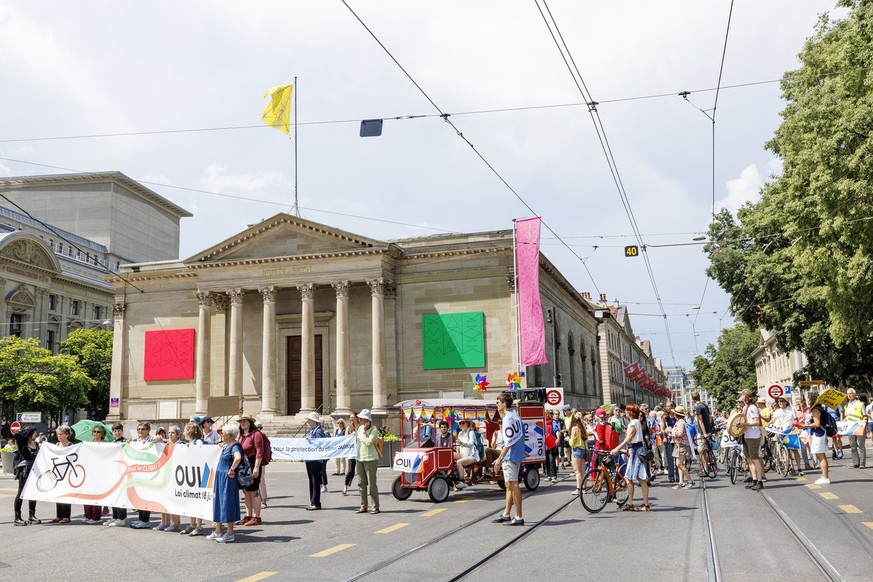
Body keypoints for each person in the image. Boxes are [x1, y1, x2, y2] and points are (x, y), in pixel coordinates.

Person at [492, 392, 525, 526]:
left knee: (513, 484)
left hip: (510, 455)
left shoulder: (507, 418)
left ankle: (518, 517)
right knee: (509, 485)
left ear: (504, 404)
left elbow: (508, 442)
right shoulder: (514, 415)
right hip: (515, 454)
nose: (496, 405)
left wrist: (500, 458)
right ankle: (506, 513)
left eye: (498, 402)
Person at [610, 404, 651, 511]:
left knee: (641, 478)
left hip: (637, 451)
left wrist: (617, 449)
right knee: (629, 477)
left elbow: (628, 439)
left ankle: (645, 504)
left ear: (631, 413)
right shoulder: (633, 423)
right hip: (634, 450)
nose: (625, 412)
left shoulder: (634, 422)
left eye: (627, 411)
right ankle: (630, 503)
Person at [208, 423, 242, 543]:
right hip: (220, 477)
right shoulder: (227, 446)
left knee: (227, 504)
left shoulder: (235, 447)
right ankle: (218, 531)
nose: (222, 434)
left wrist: (231, 469)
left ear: (229, 435)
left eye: (224, 433)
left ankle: (230, 533)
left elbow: (238, 458)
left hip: (227, 478)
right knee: (218, 502)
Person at [237, 414, 267, 526]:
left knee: (254, 491)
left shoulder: (256, 434)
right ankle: (248, 515)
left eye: (245, 421)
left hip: (253, 463)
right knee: (246, 491)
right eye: (241, 421)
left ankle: (257, 517)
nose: (243, 423)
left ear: (250, 422)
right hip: (244, 465)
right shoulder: (241, 435)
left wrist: (256, 467)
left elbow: (260, 452)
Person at [154, 425, 183, 531]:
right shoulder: (166, 444)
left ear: (178, 435)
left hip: (177, 476)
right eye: (169, 432)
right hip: (166, 475)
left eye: (173, 433)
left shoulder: (182, 445)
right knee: (164, 498)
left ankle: (175, 523)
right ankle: (164, 522)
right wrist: (156, 439)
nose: (170, 434)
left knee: (173, 500)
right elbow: (154, 442)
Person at [181, 422, 207, 536]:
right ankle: (192, 524)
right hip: (191, 475)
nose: (183, 432)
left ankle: (199, 525)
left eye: (185, 430)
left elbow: (201, 454)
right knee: (191, 500)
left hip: (199, 476)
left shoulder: (198, 442)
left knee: (198, 501)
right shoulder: (190, 443)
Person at [736, 390, 765, 491]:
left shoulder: (752, 407)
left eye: (742, 395)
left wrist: (744, 424)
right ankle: (754, 479)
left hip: (753, 435)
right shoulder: (745, 407)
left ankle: (760, 481)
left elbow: (756, 422)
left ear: (746, 397)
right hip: (746, 435)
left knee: (755, 459)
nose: (741, 398)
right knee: (749, 459)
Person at [800, 391, 831, 485]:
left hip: (818, 434)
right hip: (819, 433)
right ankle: (823, 476)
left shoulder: (815, 410)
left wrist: (805, 426)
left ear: (811, 399)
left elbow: (817, 424)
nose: (807, 400)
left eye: (808, 398)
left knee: (821, 456)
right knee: (819, 455)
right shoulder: (816, 409)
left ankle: (825, 477)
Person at [354, 409, 380, 514]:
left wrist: (364, 433)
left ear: (367, 420)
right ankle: (363, 505)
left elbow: (368, 442)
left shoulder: (374, 429)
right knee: (360, 483)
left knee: (372, 484)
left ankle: (375, 506)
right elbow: (357, 441)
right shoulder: (359, 428)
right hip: (359, 458)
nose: (359, 419)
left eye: (361, 418)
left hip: (370, 459)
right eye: (359, 418)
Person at [130, 422, 155, 529]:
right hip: (137, 472)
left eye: (143, 429)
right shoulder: (136, 441)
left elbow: (158, 441)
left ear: (148, 430)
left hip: (148, 472)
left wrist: (157, 438)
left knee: (145, 496)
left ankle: (146, 520)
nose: (140, 431)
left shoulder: (151, 440)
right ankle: (140, 518)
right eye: (139, 429)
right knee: (139, 496)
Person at [83, 424, 108, 524]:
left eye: (98, 432)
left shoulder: (106, 444)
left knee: (96, 494)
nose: (96, 434)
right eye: (94, 432)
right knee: (87, 494)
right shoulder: (89, 443)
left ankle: (96, 516)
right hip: (89, 471)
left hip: (100, 472)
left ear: (102, 434)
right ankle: (88, 515)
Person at [772, 396, 804, 476]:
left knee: (794, 450)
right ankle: (791, 467)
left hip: (791, 431)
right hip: (782, 432)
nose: (780, 403)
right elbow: (773, 420)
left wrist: (793, 423)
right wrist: (768, 425)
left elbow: (796, 419)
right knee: (787, 450)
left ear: (786, 402)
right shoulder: (778, 411)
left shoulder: (791, 409)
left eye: (782, 401)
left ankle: (799, 467)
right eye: (778, 401)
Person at [49, 425, 74, 524]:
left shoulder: (71, 446)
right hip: (57, 472)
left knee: (66, 494)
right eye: (58, 434)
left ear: (67, 435)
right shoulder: (56, 445)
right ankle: (59, 515)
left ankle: (66, 516)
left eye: (61, 434)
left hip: (67, 472)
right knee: (58, 494)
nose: (59, 436)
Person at [304, 412, 327, 510]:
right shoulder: (311, 430)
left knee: (315, 480)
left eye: (309, 419)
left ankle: (316, 502)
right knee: (311, 481)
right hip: (310, 458)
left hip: (316, 460)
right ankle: (312, 501)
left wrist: (310, 441)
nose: (308, 421)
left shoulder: (318, 431)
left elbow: (320, 444)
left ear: (314, 421)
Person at [670, 406, 693, 489]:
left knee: (679, 464)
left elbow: (679, 433)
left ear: (676, 414)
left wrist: (671, 432)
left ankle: (690, 480)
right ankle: (681, 482)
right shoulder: (682, 421)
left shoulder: (680, 422)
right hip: (680, 444)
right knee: (680, 464)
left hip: (681, 444)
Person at [692, 392, 714, 475]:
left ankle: (705, 469)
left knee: (701, 451)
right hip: (708, 430)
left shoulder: (698, 407)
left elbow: (700, 421)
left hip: (702, 432)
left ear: (693, 399)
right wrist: (710, 428)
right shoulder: (704, 405)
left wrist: (704, 433)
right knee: (707, 448)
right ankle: (708, 465)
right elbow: (710, 417)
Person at [454, 419, 479, 487]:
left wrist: (462, 443)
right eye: (460, 423)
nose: (461, 425)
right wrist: (456, 448)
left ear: (467, 424)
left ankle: (462, 481)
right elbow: (458, 445)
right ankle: (448, 475)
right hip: (463, 454)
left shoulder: (471, 432)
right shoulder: (460, 433)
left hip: (472, 455)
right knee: (450, 455)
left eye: (462, 423)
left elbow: (471, 444)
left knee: (459, 462)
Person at [844, 389, 866, 468]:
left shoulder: (860, 404)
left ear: (854, 394)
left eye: (850, 393)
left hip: (859, 427)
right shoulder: (847, 405)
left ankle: (862, 463)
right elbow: (847, 417)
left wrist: (864, 424)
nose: (849, 395)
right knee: (853, 446)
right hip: (850, 428)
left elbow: (865, 416)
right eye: (847, 394)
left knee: (861, 446)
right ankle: (856, 462)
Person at [569, 412, 588, 495]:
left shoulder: (574, 428)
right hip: (583, 450)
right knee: (583, 471)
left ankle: (578, 489)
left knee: (577, 472)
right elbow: (586, 439)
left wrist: (568, 440)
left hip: (577, 450)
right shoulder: (583, 427)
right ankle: (584, 488)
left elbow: (572, 442)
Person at [661, 401, 678, 482]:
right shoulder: (665, 417)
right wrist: (664, 436)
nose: (668, 408)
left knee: (677, 458)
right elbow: (662, 428)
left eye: (669, 406)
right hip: (668, 438)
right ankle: (671, 476)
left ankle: (678, 476)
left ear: (673, 406)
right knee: (670, 457)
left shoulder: (677, 416)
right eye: (667, 406)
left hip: (677, 438)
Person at [343, 413, 359, 496]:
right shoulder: (349, 428)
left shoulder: (360, 427)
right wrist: (350, 435)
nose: (351, 419)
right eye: (350, 417)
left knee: (361, 471)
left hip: (360, 451)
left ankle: (363, 487)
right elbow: (345, 439)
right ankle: (345, 486)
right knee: (350, 470)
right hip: (352, 451)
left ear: (357, 418)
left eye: (353, 417)